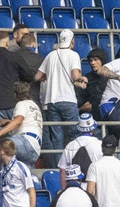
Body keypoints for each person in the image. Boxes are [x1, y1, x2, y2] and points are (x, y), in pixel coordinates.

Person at [36, 30, 88, 167]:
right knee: (74, 135)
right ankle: (77, 166)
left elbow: (37, 77)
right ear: (72, 42)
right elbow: (75, 75)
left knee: (57, 138)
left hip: (51, 101)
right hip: (68, 100)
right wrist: (83, 78)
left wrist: (47, 77)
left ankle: (60, 168)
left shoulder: (50, 55)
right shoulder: (73, 55)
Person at [0, 81, 43, 170]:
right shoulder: (34, 105)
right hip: (35, 150)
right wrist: (10, 122)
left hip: (24, 142)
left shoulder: (21, 104)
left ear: (15, 94)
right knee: (24, 176)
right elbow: (27, 122)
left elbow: (18, 121)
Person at [58, 114, 102, 190]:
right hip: (94, 188)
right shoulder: (100, 145)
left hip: (74, 188)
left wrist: (64, 190)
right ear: (92, 128)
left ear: (79, 128)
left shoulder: (70, 145)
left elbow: (62, 170)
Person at [76, 49, 109, 122]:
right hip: (90, 116)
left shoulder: (109, 76)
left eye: (95, 60)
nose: (93, 63)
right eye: (91, 61)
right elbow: (82, 96)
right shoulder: (88, 77)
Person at [13, 32, 43, 106]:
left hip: (16, 96)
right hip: (34, 95)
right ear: (33, 44)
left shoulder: (12, 56)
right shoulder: (40, 59)